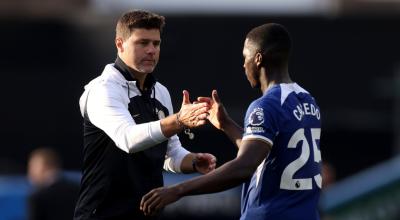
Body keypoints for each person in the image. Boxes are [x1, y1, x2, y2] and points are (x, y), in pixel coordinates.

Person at [140, 23, 323, 220]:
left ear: (258, 58)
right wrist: (226, 124)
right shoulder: (308, 101)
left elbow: (245, 166)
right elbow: (267, 154)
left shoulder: (265, 105)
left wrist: (177, 190)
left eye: (245, 57)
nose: (244, 65)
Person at [74, 9, 217, 220]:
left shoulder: (161, 92)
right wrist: (178, 120)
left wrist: (193, 161)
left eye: (156, 44)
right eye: (142, 43)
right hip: (102, 214)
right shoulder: (102, 89)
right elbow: (128, 139)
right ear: (119, 44)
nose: (151, 50)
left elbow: (169, 154)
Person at [27, 147, 80, 220]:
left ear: (45, 166)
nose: (30, 172)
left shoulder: (38, 197)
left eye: (32, 166)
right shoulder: (78, 189)